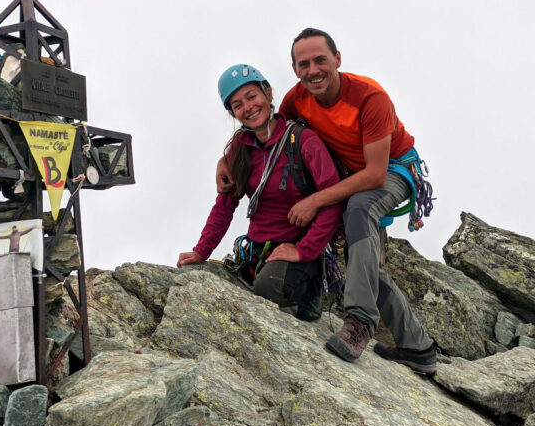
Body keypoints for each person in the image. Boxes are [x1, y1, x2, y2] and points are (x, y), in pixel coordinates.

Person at [217, 29, 438, 375]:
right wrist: (225, 161)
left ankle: (360, 322)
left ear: (337, 58)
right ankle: (418, 348)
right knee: (365, 264)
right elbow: (266, 127)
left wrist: (316, 200)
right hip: (351, 173)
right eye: (303, 64)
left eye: (321, 59)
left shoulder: (369, 97)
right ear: (294, 69)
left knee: (360, 208)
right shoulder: (298, 98)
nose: (313, 70)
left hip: (393, 169)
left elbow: (375, 176)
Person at [178, 63, 342, 321]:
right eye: (237, 104)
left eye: (252, 96)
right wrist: (201, 252)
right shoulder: (240, 150)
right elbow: (224, 206)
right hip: (259, 250)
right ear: (233, 113)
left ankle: (311, 284)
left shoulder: (302, 140)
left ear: (268, 94)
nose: (248, 107)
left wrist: (304, 250)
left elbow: (333, 199)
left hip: (299, 247)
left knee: (266, 289)